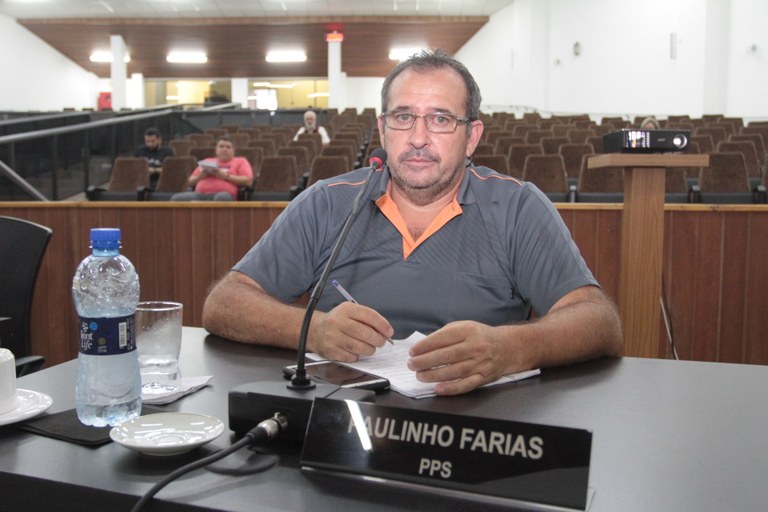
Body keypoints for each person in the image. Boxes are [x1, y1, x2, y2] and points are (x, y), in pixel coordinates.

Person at [203, 49, 622, 396]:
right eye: (403, 117)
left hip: (476, 424)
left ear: (472, 136)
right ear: (383, 129)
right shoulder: (327, 202)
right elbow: (225, 304)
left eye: (440, 119)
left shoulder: (517, 207)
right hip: (342, 420)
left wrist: (510, 348)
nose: (418, 138)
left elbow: (598, 321)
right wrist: (312, 329)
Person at [171, 135, 253, 201]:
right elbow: (190, 182)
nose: (224, 149)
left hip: (224, 194)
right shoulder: (207, 161)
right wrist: (200, 176)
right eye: (221, 146)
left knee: (221, 197)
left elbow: (248, 181)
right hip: (200, 195)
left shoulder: (240, 161)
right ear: (216, 150)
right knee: (177, 198)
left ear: (233, 150)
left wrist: (226, 177)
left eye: (228, 147)